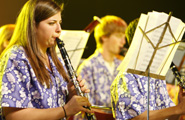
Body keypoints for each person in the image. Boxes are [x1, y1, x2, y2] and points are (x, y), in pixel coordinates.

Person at [0, 0, 93, 120]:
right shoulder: (16, 57)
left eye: (59, 23)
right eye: (52, 23)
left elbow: (56, 111)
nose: (59, 29)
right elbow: (14, 116)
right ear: (33, 25)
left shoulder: (55, 60)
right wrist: (66, 109)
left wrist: (71, 96)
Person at [110, 18, 185, 120]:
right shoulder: (126, 76)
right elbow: (139, 118)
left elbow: (170, 117)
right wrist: (178, 109)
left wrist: (180, 104)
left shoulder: (156, 76)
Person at [74, 15, 127, 119]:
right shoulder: (88, 67)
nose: (123, 41)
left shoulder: (122, 65)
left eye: (124, 37)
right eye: (119, 36)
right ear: (104, 36)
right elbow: (86, 110)